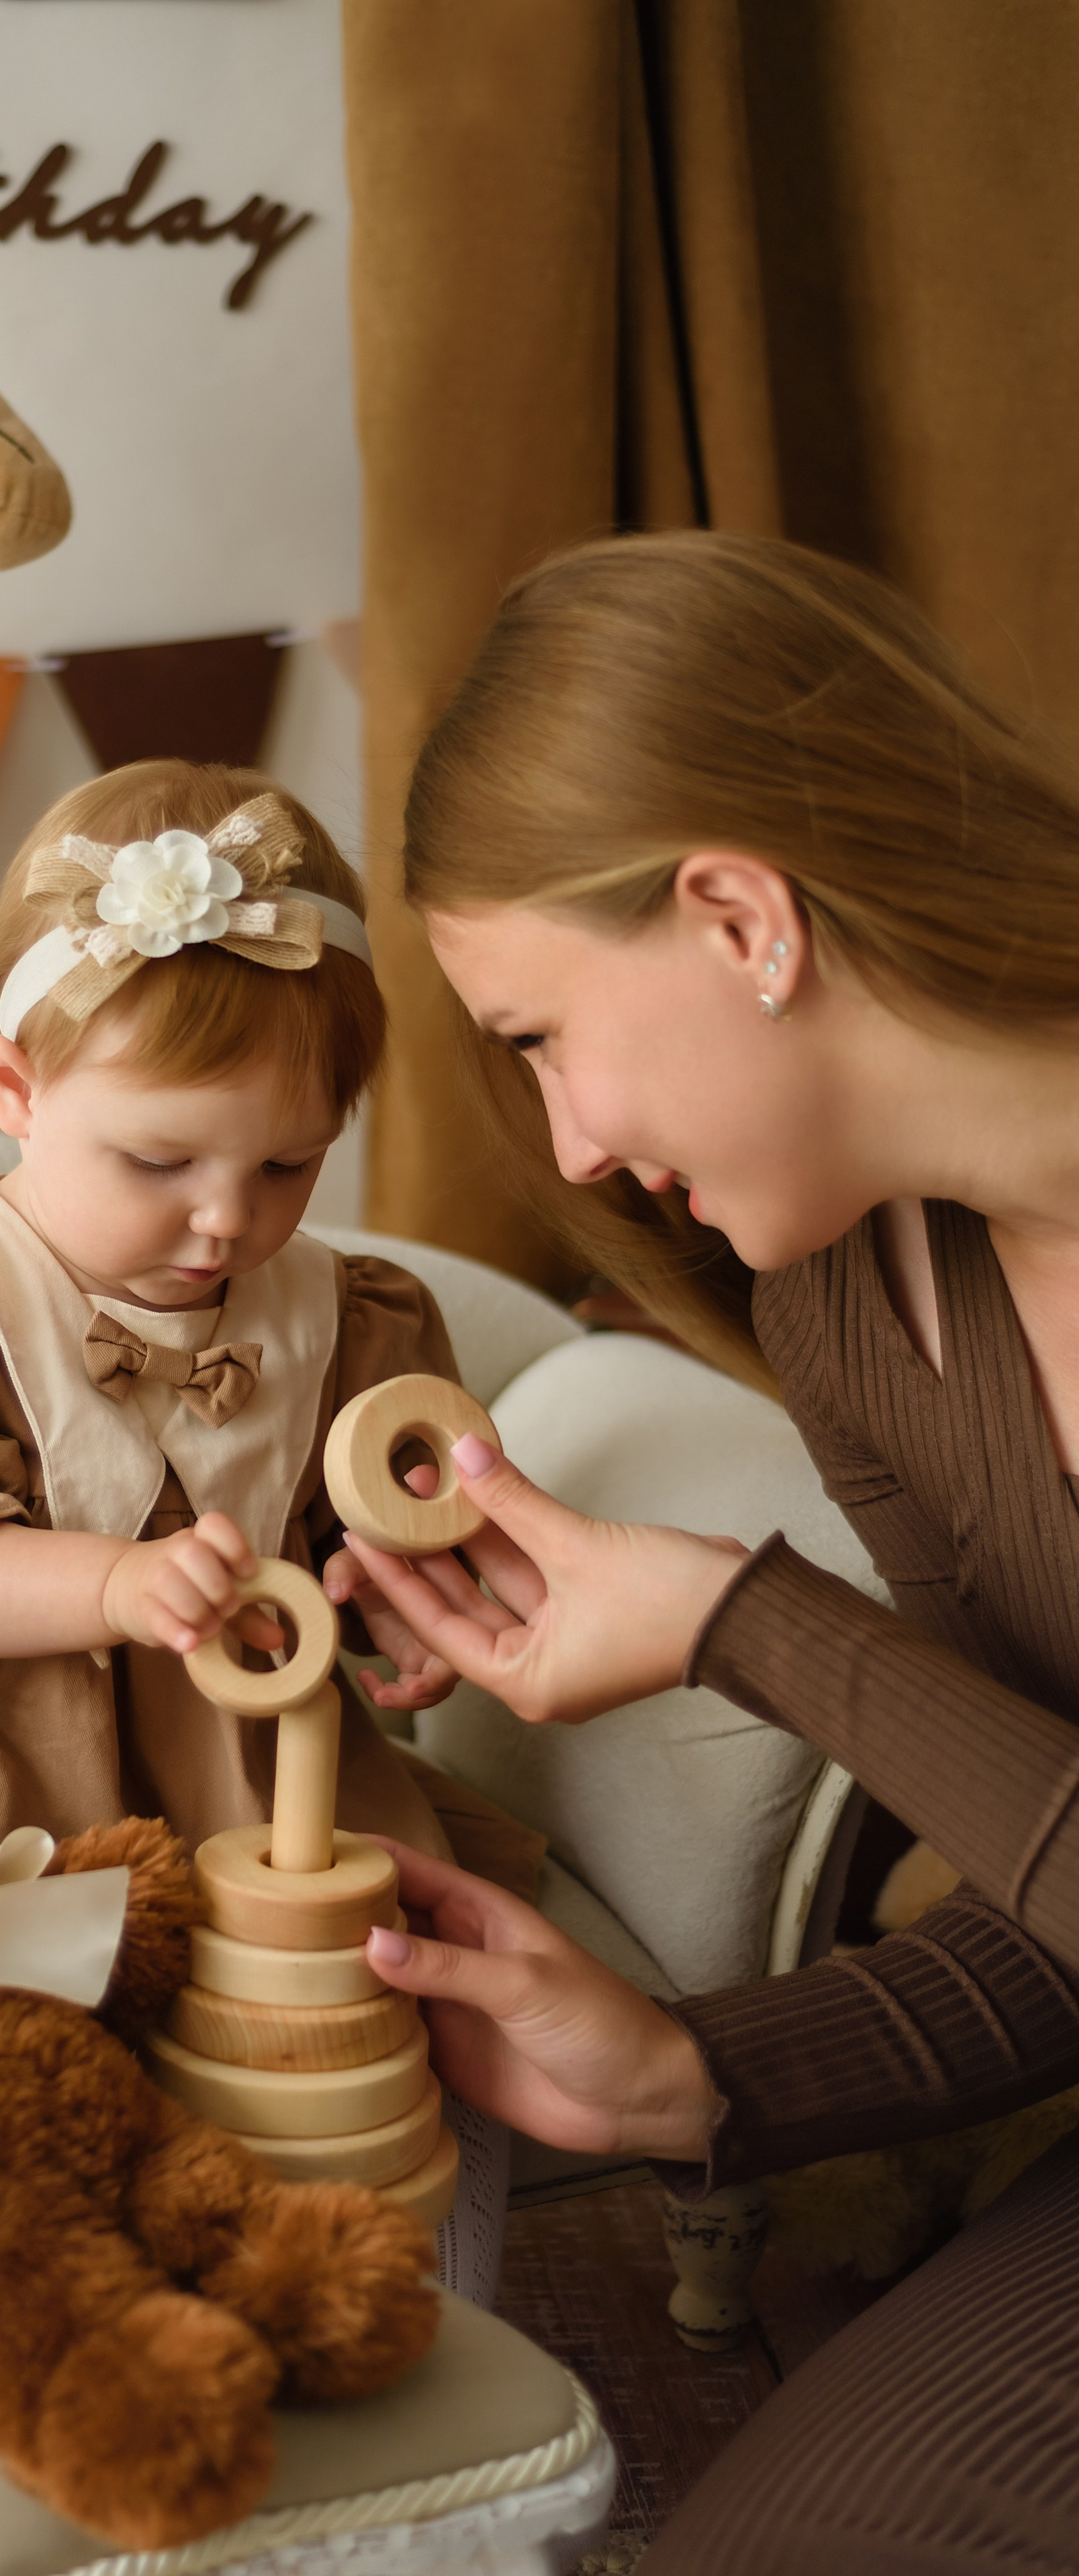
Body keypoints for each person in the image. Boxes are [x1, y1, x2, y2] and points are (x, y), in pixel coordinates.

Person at [322, 530, 1079, 2570]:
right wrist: (681, 2076)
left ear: (740, 914)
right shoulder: (856, 1290)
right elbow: (1052, 1868)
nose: (567, 1146)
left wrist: (752, 1625)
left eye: (546, 1032)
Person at [0, 756, 538, 2304]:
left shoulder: (354, 1315)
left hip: (244, 1764)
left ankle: (357, 2248)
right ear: (14, 1090)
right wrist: (115, 1581)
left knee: (372, 1980)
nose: (225, 1217)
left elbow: (390, 1515)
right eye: (160, 1162)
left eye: (286, 1162)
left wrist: (404, 1610)